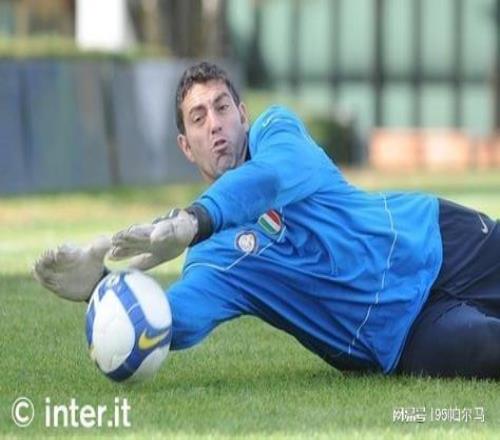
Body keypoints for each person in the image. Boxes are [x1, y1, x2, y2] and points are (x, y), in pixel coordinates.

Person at [34, 61, 500, 379]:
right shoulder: (212, 258)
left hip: (438, 239)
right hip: (403, 332)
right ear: (186, 146)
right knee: (488, 348)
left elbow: (270, 178)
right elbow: (172, 320)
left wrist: (194, 220)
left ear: (243, 114)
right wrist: (100, 287)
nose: (214, 124)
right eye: (198, 118)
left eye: (222, 108)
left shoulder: (277, 132)